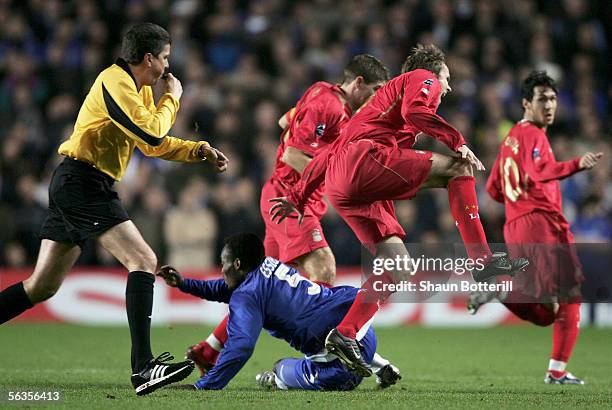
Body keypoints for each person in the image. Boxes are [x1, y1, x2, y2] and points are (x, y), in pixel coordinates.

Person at [270, 44, 529, 376]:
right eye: (446, 78)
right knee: (459, 168)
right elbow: (416, 112)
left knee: (399, 267)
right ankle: (483, 262)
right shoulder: (422, 77)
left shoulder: (369, 114)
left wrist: (298, 195)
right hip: (363, 165)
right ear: (433, 71)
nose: (446, 87)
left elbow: (327, 155)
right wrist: (457, 140)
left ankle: (346, 334)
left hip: (344, 185)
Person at [0, 22, 228, 395]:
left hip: (82, 182)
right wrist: (173, 97)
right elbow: (154, 133)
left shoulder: (131, 89)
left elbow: (152, 145)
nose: (169, 68)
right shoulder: (115, 82)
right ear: (149, 58)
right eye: (166, 59)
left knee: (40, 287)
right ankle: (143, 369)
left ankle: (144, 367)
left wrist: (197, 149)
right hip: (83, 182)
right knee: (143, 259)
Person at [185, 55, 390, 376]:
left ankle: (209, 348)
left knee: (262, 286)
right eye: (376, 89)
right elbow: (295, 153)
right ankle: (322, 351)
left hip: (290, 198)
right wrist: (339, 178)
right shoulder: (329, 106)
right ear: (358, 83)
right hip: (289, 200)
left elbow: (285, 122)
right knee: (322, 267)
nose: (377, 97)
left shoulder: (323, 96)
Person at [469, 70, 603, 385]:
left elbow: (492, 190)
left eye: (554, 99)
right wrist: (575, 165)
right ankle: (556, 371)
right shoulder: (534, 135)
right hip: (541, 222)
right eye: (542, 99)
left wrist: (517, 200)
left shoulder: (510, 139)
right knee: (570, 297)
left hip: (517, 225)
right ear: (526, 103)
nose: (550, 105)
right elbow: (539, 171)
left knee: (547, 311)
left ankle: (501, 291)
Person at [157, 233, 401, 391]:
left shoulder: (247, 296)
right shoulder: (269, 264)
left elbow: (241, 346)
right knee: (334, 330)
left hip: (336, 372)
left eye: (224, 264)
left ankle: (277, 381)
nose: (222, 269)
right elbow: (225, 287)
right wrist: (185, 284)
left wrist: (204, 386)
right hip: (361, 331)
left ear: (238, 265)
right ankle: (382, 366)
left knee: (280, 366)